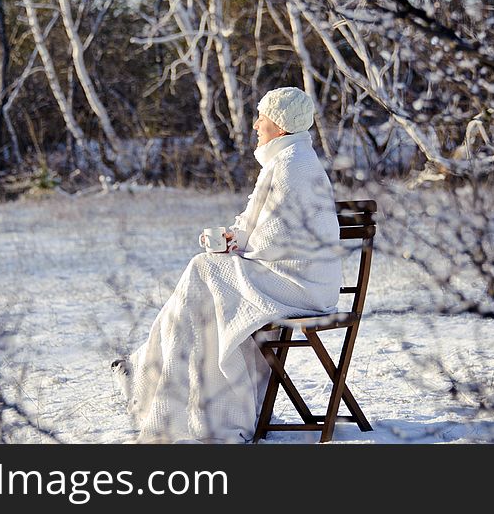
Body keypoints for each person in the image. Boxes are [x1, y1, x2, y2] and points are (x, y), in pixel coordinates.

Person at [112, 86, 342, 443]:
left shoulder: (291, 164)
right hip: (296, 277)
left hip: (299, 284)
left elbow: (276, 237)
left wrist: (238, 246)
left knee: (203, 271)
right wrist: (236, 239)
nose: (256, 125)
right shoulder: (290, 158)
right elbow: (269, 227)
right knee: (207, 283)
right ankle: (176, 388)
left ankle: (157, 378)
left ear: (279, 125)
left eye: (262, 117)